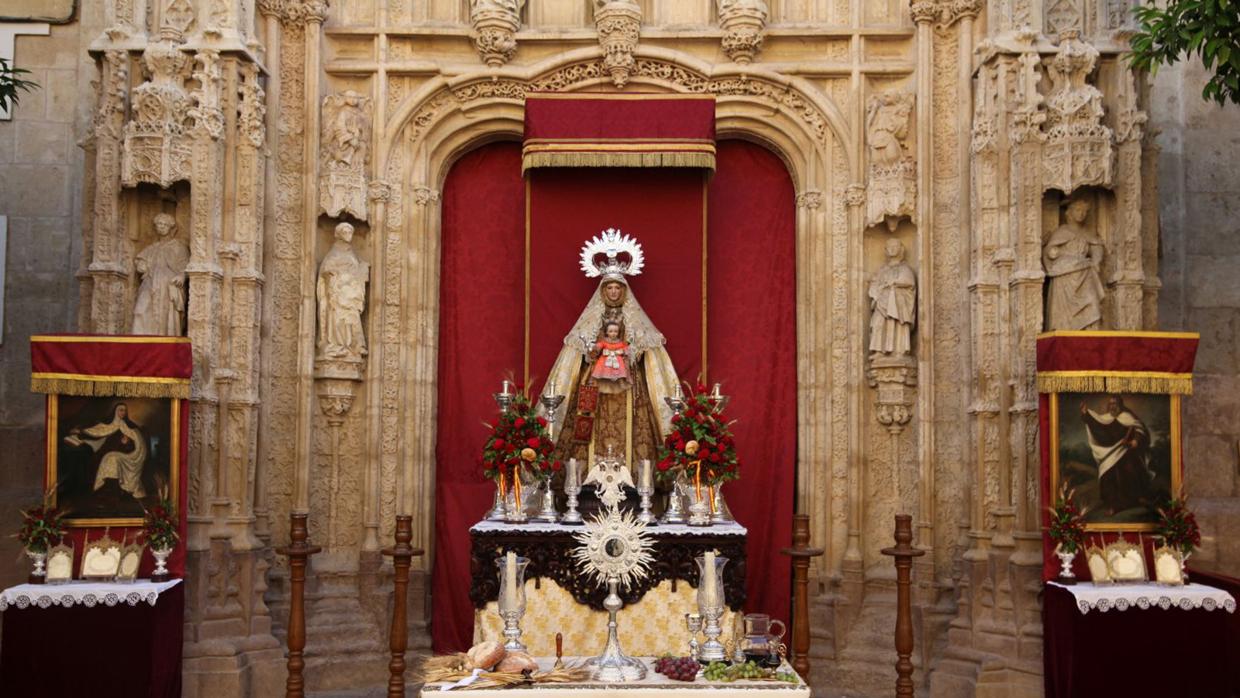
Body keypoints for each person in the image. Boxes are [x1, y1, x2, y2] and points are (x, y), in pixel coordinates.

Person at [541, 234, 679, 469]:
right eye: (610, 287)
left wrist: (631, 351)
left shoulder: (633, 317)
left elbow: (646, 346)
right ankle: (585, 476)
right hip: (595, 382)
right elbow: (579, 348)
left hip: (628, 383)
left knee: (634, 424)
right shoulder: (593, 317)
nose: (614, 292)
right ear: (604, 290)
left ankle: (634, 478)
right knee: (587, 422)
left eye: (617, 287)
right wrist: (592, 351)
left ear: (623, 290)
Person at [1081, 396, 1154, 515]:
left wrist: (1135, 441)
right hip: (1111, 454)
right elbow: (1096, 425)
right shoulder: (1105, 419)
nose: (1112, 406)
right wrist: (1086, 415)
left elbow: (1139, 429)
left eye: (1114, 403)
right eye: (1110, 404)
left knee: (1132, 473)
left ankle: (1138, 499)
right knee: (1109, 476)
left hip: (1127, 452)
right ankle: (1114, 505)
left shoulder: (1127, 417)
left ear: (1120, 405)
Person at [64, 403, 149, 500]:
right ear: (115, 411)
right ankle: (100, 491)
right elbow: (94, 432)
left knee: (110, 458)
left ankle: (114, 491)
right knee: (97, 459)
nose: (122, 412)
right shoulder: (108, 424)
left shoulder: (130, 427)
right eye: (120, 410)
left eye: (124, 410)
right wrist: (80, 432)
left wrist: (126, 443)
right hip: (105, 450)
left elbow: (137, 445)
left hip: (125, 453)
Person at [1044, 197, 1105, 331]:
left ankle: (1092, 334)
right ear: (1069, 213)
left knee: (1092, 303)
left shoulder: (1087, 234)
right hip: (1064, 275)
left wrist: (1096, 260)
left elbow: (1096, 247)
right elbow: (1050, 251)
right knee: (1063, 315)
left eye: (1084, 211)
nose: (1081, 213)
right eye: (1078, 210)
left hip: (1084, 273)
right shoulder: (1062, 232)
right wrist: (1052, 252)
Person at [316, 222, 370, 359]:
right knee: (338, 318)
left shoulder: (352, 253)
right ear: (339, 234)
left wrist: (362, 269)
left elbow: (358, 268)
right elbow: (326, 270)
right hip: (338, 292)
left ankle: (355, 345)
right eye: (345, 232)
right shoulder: (333, 253)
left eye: (350, 232)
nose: (349, 235)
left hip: (351, 293)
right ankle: (337, 345)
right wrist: (336, 278)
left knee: (352, 318)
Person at [132, 213, 189, 336]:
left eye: (165, 224)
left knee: (166, 315)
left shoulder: (179, 247)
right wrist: (141, 264)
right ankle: (140, 342)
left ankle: (166, 341)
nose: (161, 227)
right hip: (150, 282)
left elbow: (185, 266)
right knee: (140, 310)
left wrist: (182, 276)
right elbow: (141, 260)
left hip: (169, 285)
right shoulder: (152, 248)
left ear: (170, 227)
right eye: (159, 224)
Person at [868, 238, 916, 357]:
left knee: (898, 323)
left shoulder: (905, 268)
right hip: (882, 302)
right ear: (886, 250)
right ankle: (879, 351)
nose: (892, 249)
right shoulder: (881, 270)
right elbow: (874, 284)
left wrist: (894, 284)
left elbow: (909, 282)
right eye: (890, 246)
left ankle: (899, 351)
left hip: (899, 303)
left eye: (895, 246)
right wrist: (877, 292)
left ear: (901, 249)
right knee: (878, 323)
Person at [590, 321, 632, 391]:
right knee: (600, 367)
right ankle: (594, 382)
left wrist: (624, 351)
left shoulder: (620, 342)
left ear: (618, 332)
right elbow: (599, 346)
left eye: (616, 331)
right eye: (611, 331)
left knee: (620, 368)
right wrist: (595, 347)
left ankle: (621, 382)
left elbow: (625, 348)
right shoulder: (604, 341)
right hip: (605, 358)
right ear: (606, 332)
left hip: (617, 359)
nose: (613, 333)